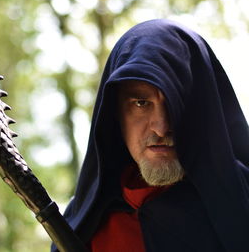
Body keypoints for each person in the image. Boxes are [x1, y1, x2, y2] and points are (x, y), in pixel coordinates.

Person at [51, 19, 249, 252]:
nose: (162, 127)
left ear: (203, 110)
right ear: (114, 114)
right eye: (141, 103)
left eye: (177, 101)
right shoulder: (85, 227)